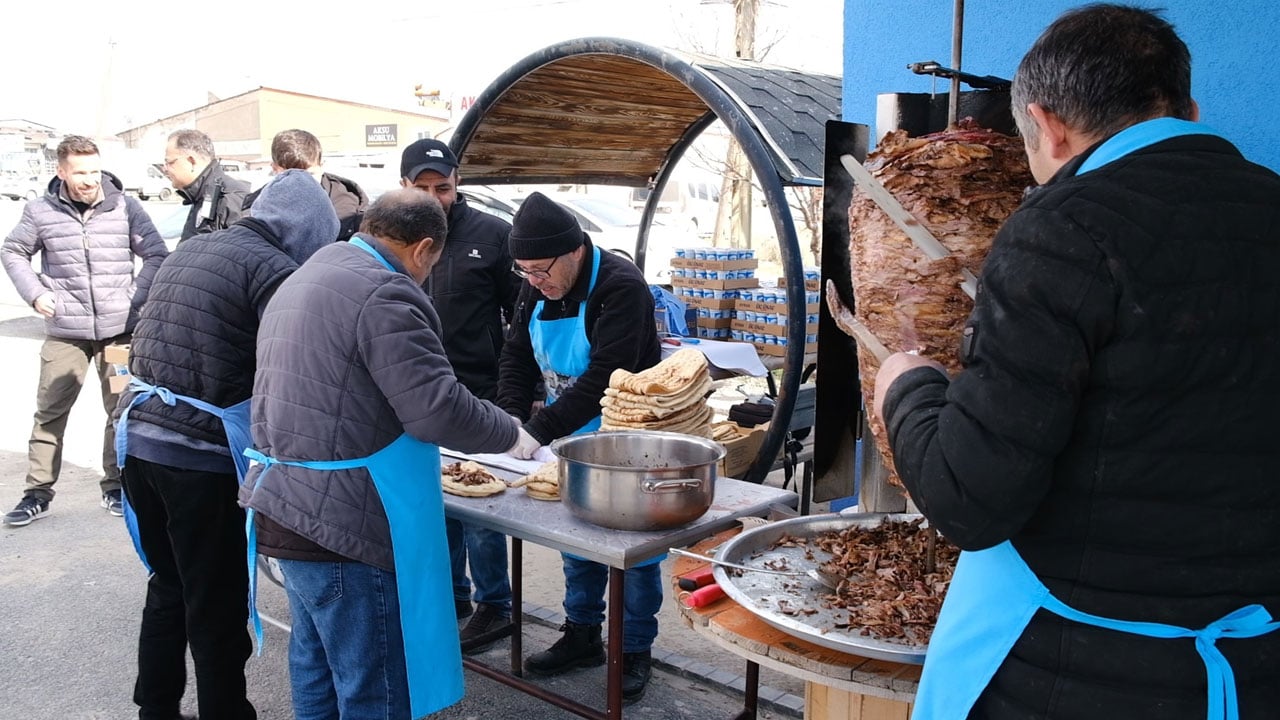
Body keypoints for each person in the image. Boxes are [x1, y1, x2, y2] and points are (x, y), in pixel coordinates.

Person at [871, 6, 1280, 719]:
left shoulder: (1065, 228)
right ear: (1189, 109)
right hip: (1252, 670)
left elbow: (971, 500)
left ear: (1048, 124)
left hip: (1074, 677)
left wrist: (907, 389)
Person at [239, 188, 537, 720]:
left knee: (316, 666)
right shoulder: (384, 292)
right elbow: (436, 407)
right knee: (372, 685)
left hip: (286, 505)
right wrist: (511, 434)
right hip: (346, 524)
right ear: (424, 248)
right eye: (433, 265)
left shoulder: (313, 268)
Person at [112, 169, 339, 720]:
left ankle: (156, 708)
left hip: (138, 439)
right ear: (308, 232)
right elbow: (288, 369)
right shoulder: (275, 271)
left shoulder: (198, 246)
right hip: (198, 457)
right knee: (216, 599)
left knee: (168, 583)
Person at [495, 191, 662, 703]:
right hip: (569, 436)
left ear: (573, 252)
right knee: (577, 540)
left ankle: (634, 648)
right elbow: (517, 356)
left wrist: (539, 430)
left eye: (540, 270)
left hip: (629, 436)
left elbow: (602, 379)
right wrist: (509, 419)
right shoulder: (535, 286)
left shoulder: (620, 287)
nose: (533, 282)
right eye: (523, 271)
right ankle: (583, 634)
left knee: (632, 551)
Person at [0, 135, 167, 527]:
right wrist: (36, 293)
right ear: (61, 171)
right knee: (50, 412)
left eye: (94, 171)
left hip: (118, 335)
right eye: (80, 173)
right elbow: (13, 251)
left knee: (121, 410)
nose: (89, 180)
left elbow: (157, 253)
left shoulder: (126, 207)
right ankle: (37, 493)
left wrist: (134, 297)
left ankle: (116, 486)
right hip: (66, 334)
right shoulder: (40, 211)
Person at [399, 137, 522, 650]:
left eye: (442, 187)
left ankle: (496, 605)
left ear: (457, 183)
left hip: (479, 389)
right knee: (435, 498)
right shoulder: (392, 234)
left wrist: (521, 392)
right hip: (416, 392)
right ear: (403, 187)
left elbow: (522, 317)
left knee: (482, 504)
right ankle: (453, 596)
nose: (433, 197)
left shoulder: (493, 236)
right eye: (422, 187)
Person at [244, 128, 369, 242]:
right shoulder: (256, 206)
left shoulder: (348, 207)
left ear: (322, 165)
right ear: (274, 169)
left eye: (310, 174)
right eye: (289, 175)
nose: (301, 182)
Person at [163, 128, 249, 241]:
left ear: (191, 161)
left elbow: (242, 253)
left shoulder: (230, 198)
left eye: (169, 162)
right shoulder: (201, 195)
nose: (165, 169)